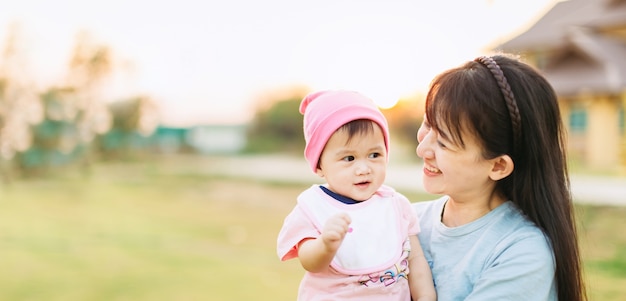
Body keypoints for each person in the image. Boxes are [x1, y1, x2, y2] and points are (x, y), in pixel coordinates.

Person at [413, 54, 587, 300]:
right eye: (427, 125)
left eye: (443, 143)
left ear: (498, 166)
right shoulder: (408, 220)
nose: (422, 150)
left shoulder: (521, 252)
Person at [277, 90, 436, 301]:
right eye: (349, 158)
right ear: (319, 166)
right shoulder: (313, 207)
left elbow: (416, 260)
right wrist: (325, 245)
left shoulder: (396, 206)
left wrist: (426, 297)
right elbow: (309, 261)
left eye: (374, 155)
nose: (364, 168)